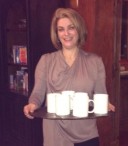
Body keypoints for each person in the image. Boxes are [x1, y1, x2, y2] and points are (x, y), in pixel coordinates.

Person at [23, 8, 115, 146]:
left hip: (86, 132)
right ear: (57, 33)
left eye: (71, 28)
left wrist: (105, 104)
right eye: (61, 29)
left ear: (79, 29)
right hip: (55, 133)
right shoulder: (46, 61)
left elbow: (100, 94)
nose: (66, 33)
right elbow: (38, 92)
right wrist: (32, 104)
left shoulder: (95, 61)